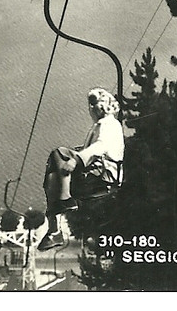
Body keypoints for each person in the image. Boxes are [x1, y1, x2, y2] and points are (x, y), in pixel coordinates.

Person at [38, 87, 125, 251]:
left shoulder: (109, 125)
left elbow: (101, 146)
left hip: (103, 175)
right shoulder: (101, 125)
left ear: (100, 106)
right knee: (52, 177)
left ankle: (63, 204)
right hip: (97, 173)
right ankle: (54, 228)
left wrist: (76, 159)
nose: (90, 109)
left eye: (92, 105)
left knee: (58, 154)